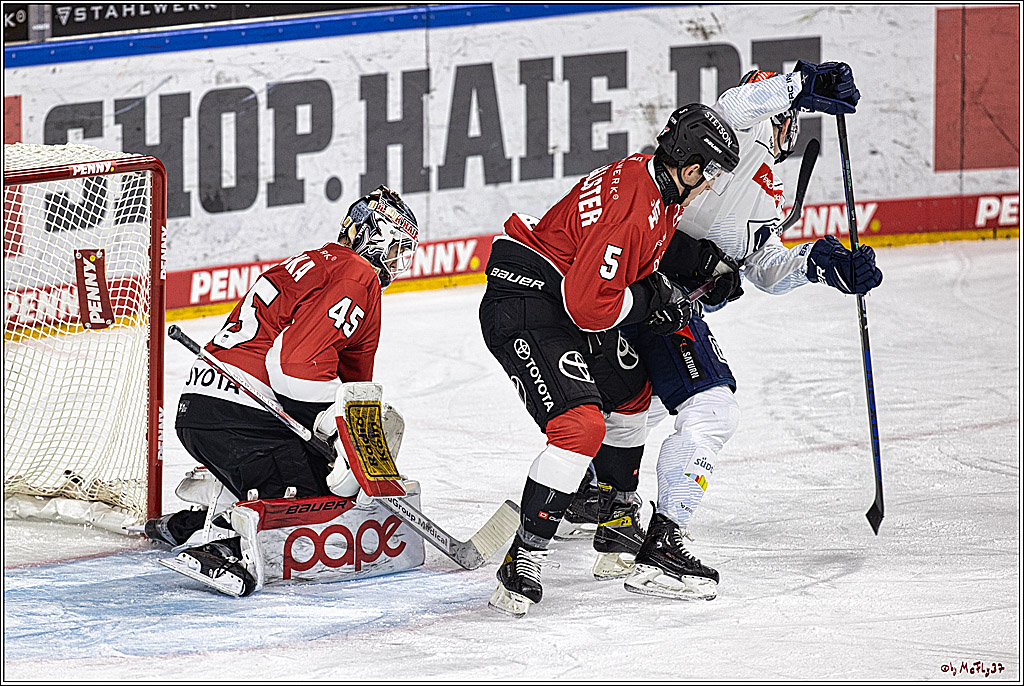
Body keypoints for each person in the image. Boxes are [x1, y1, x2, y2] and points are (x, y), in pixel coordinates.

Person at [564, 60, 882, 601]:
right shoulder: (742, 134)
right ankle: (664, 542)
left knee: (646, 406)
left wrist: (820, 263)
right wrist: (798, 87)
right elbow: (736, 108)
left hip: (642, 300)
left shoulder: (768, 189)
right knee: (712, 409)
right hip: (649, 291)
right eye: (786, 115)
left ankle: (597, 495)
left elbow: (761, 268)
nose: (789, 127)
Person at [478, 103, 741, 616]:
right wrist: (650, 301)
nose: (709, 185)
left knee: (632, 398)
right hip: (527, 298)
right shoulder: (635, 206)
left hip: (564, 297)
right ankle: (523, 558)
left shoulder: (652, 187)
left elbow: (632, 263)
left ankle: (616, 524)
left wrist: (689, 274)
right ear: (689, 169)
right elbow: (590, 304)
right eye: (708, 175)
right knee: (580, 428)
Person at [145, 185, 419, 593]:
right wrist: (335, 434)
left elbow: (354, 391)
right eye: (397, 248)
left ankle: (195, 519)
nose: (399, 262)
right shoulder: (356, 274)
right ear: (370, 233)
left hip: (202, 409)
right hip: (245, 412)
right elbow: (293, 367)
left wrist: (351, 441)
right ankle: (224, 546)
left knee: (325, 461)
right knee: (327, 500)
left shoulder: (318, 265)